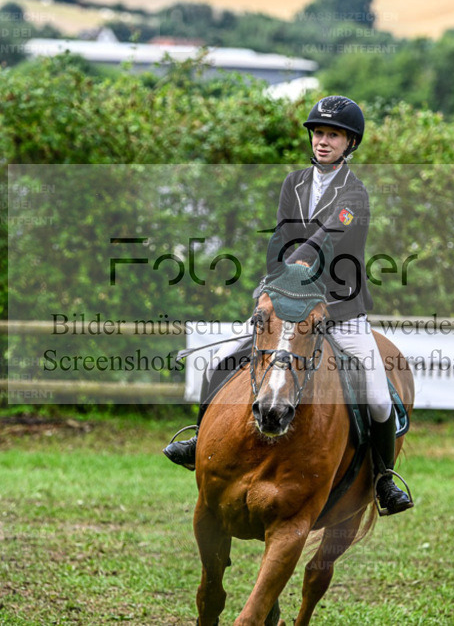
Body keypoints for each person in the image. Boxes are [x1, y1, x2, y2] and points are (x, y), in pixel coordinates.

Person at [164, 95, 413, 516]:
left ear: (350, 143)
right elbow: (280, 237)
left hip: (340, 311)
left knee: (377, 396)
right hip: (286, 305)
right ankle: (198, 438)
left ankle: (383, 479)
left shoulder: (356, 193)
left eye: (333, 135)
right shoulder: (293, 183)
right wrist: (269, 286)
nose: (322, 141)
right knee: (225, 362)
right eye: (318, 133)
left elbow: (331, 234)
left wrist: (299, 261)